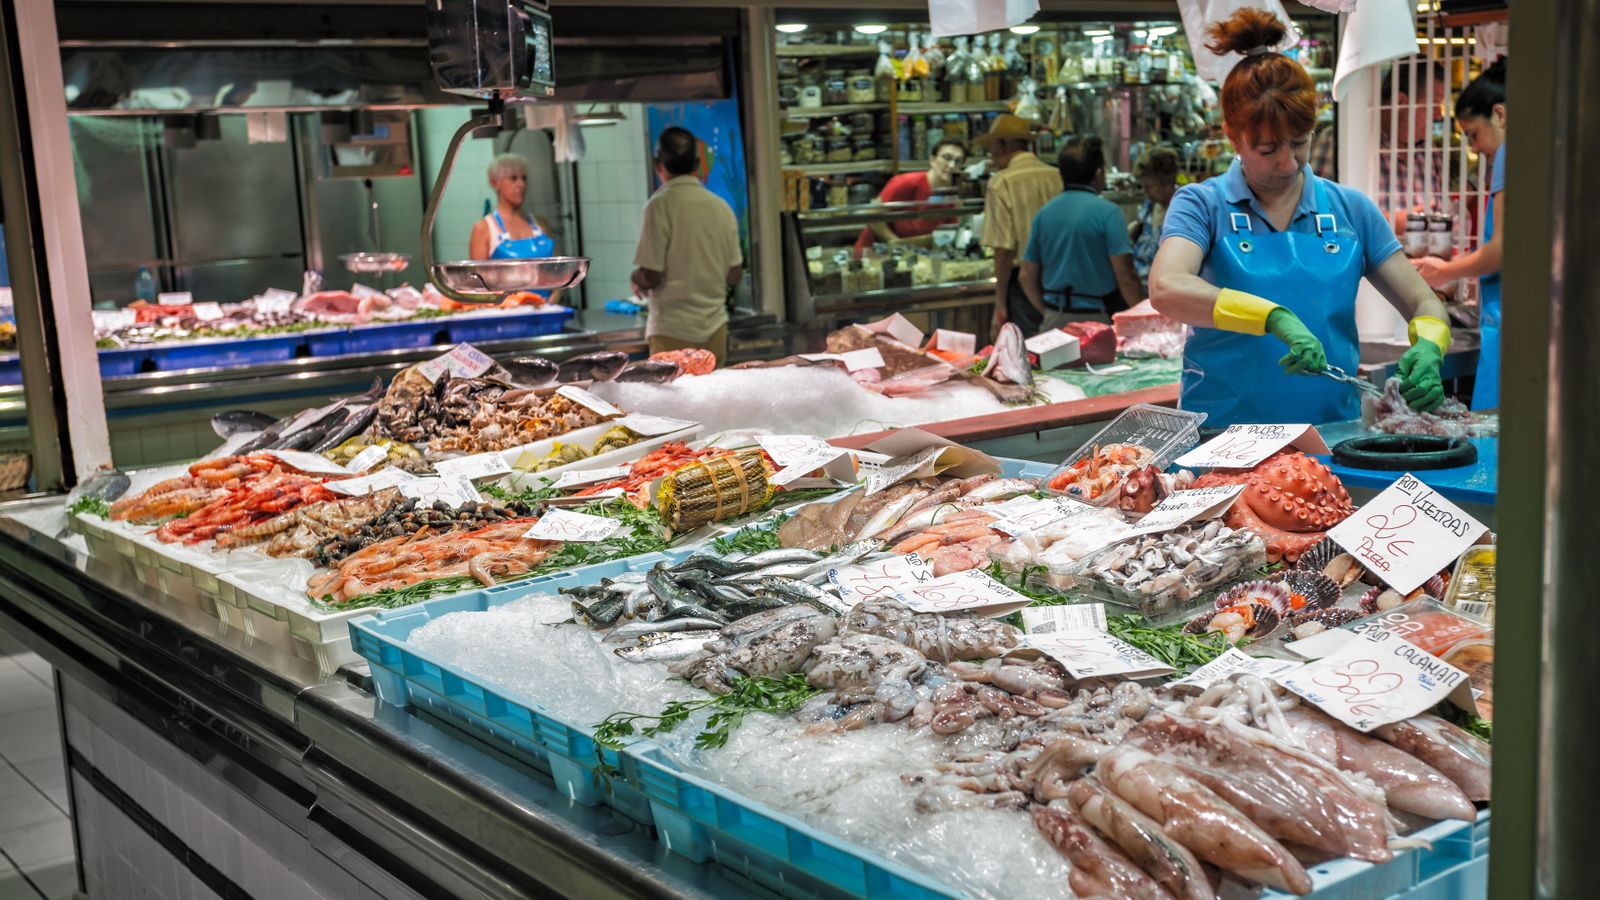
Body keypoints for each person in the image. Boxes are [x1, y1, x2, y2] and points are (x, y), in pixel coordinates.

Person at [1148, 9, 1451, 429]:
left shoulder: (1351, 210)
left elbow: (1425, 301)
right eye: (1268, 149)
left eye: (1300, 142)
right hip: (1221, 440)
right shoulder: (1203, 205)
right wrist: (1274, 317)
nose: (1289, 163)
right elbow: (1166, 287)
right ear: (1233, 136)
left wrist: (1430, 346)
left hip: (1331, 434)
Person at [1412, 58, 1506, 410]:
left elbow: (1501, 249)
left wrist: (1443, 270)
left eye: (1473, 135)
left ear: (1500, 114)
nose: (1475, 148)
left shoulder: (1510, 155)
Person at [630, 127, 743, 364]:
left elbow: (651, 275)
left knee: (672, 400)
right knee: (714, 399)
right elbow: (734, 274)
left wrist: (637, 278)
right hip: (715, 330)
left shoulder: (659, 205)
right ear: (697, 163)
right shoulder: (721, 207)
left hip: (671, 332)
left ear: (657, 165)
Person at [1019, 136, 1143, 326]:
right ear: (1099, 172)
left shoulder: (1044, 214)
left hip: (1054, 320)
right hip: (1098, 321)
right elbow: (1126, 277)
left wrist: (1047, 312)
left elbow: (1026, 276)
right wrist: (1144, 316)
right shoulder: (1109, 213)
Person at [976, 114, 1063, 335]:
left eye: (991, 146)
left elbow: (1004, 251)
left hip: (1023, 283)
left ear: (1002, 144)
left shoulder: (1001, 181)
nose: (991, 154)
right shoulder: (1057, 175)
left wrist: (1000, 302)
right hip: (1062, 275)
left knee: (1030, 356)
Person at [468, 153, 562, 304]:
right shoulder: (484, 229)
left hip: (546, 310)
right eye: (513, 178)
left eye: (524, 178)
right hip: (506, 315)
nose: (521, 184)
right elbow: (478, 286)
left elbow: (558, 273)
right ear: (495, 183)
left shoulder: (540, 224)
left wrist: (550, 304)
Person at [853, 139, 966, 256]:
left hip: (917, 255)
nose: (952, 165)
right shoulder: (906, 183)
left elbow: (949, 230)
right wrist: (898, 245)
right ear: (932, 160)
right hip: (874, 254)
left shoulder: (953, 194)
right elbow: (872, 216)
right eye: (947, 158)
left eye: (958, 161)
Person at [1375, 61, 1449, 220]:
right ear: (1400, 101)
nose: (1438, 116)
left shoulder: (1429, 152)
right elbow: (1319, 214)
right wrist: (1388, 224)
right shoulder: (1345, 144)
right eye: (1433, 105)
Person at [1129, 146, 1180, 287]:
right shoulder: (1149, 205)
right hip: (1139, 285)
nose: (1145, 192)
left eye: (1150, 186)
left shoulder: (1183, 210)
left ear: (1168, 184)